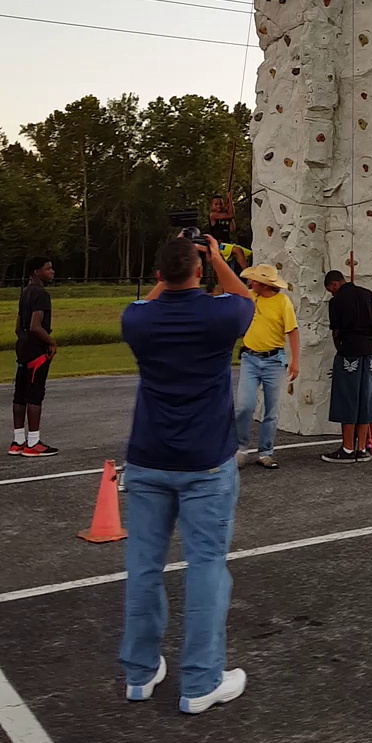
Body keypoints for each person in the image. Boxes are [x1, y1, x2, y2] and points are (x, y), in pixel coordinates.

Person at [119, 235, 254, 715]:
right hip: (206, 462)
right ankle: (200, 682)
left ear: (158, 275)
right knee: (205, 569)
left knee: (143, 567)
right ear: (199, 270)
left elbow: (145, 303)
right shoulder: (220, 314)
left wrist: (172, 273)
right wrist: (217, 258)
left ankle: (139, 673)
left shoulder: (137, 318)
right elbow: (245, 298)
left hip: (149, 458)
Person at [235, 263, 299, 469]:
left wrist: (295, 361)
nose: (251, 282)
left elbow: (293, 331)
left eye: (255, 280)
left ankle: (265, 452)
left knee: (271, 409)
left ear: (265, 284)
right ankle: (239, 448)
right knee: (244, 406)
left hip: (274, 360)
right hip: (250, 358)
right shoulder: (249, 297)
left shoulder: (283, 302)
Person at [321, 271, 372, 464]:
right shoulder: (368, 293)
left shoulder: (336, 301)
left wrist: (340, 347)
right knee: (365, 397)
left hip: (349, 351)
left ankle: (347, 448)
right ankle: (362, 448)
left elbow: (336, 331)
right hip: (370, 352)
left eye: (330, 290)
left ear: (333, 285)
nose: (331, 294)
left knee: (347, 397)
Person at [10, 256, 58, 457]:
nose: (52, 272)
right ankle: (33, 443)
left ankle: (18, 440)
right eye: (48, 268)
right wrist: (51, 342)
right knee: (35, 395)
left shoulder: (25, 293)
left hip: (22, 349)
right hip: (36, 352)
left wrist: (23, 344)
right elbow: (35, 326)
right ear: (37, 272)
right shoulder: (41, 294)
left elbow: (18, 327)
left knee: (20, 395)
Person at [207, 193, 248, 277]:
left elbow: (232, 229)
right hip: (219, 245)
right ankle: (248, 275)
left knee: (247, 253)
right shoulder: (213, 215)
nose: (219, 206)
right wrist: (230, 200)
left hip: (227, 245)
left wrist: (229, 214)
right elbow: (231, 215)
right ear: (211, 206)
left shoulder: (225, 218)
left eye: (221, 204)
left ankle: (244, 271)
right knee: (238, 250)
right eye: (216, 204)